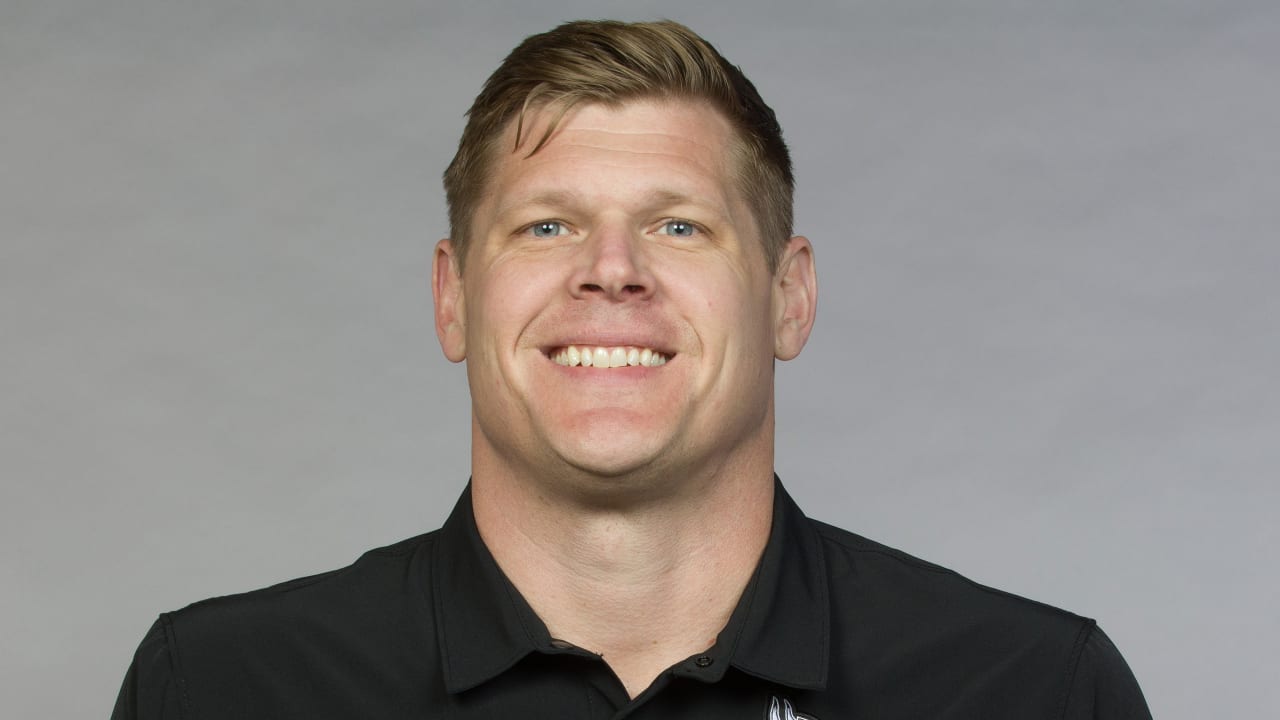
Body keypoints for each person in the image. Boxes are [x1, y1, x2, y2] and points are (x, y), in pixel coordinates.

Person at [112, 19, 1151, 719]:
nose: (611, 271)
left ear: (787, 297)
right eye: (547, 224)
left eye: (679, 225)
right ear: (452, 298)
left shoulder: (1033, 692)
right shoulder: (219, 690)